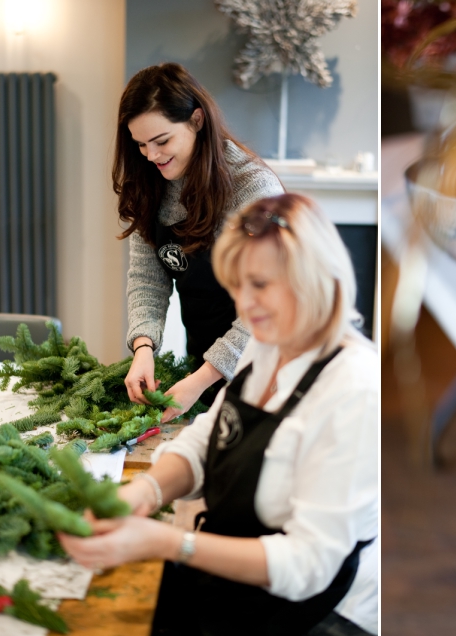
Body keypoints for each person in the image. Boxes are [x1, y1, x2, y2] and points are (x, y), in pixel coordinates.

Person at [59, 193, 379, 636]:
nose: (246, 305)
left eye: (261, 285)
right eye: (238, 287)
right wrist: (145, 493)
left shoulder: (355, 387)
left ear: (315, 277)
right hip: (226, 583)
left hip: (308, 614)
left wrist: (168, 542)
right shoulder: (270, 344)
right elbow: (205, 439)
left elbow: (308, 565)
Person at [114, 62, 283, 421]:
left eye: (162, 141)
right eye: (141, 144)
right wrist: (143, 348)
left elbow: (270, 302)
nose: (152, 155)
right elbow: (147, 279)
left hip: (267, 366)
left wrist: (204, 378)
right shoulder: (149, 184)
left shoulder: (253, 189)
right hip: (201, 357)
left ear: (197, 120)